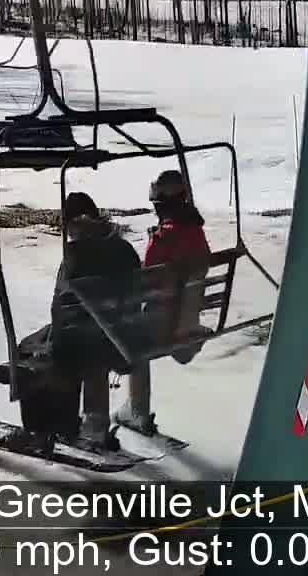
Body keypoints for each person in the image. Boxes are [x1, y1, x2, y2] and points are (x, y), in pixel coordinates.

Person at [117, 170, 214, 436]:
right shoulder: (196, 230)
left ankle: (137, 409)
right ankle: (135, 409)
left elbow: (146, 281)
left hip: (163, 324)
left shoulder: (165, 237)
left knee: (127, 338)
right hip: (187, 320)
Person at [51, 192, 144, 452]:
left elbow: (60, 305)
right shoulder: (123, 247)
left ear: (71, 224)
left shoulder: (75, 254)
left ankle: (88, 427)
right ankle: (95, 424)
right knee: (95, 335)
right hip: (128, 336)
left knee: (62, 346)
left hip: (97, 342)